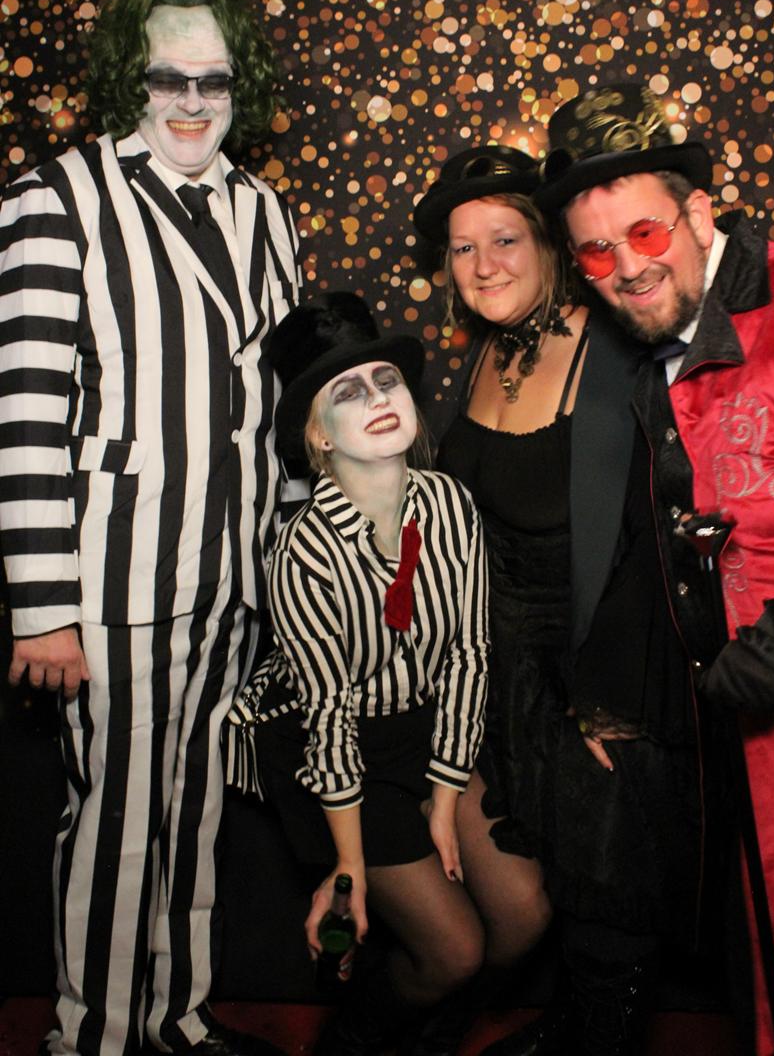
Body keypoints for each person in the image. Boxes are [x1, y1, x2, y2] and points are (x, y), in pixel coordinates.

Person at [0, 0, 300, 1056]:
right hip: (115, 577)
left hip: (235, 574)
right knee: (120, 822)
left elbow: (284, 403)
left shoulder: (265, 211)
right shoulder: (56, 197)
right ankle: (94, 1037)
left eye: (213, 80)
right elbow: (25, 412)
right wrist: (43, 609)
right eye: (167, 78)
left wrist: (292, 563)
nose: (190, 102)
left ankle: (175, 1018)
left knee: (195, 814)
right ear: (129, 79)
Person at [413, 146, 704, 1056]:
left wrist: (613, 694)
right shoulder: (486, 353)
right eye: (463, 249)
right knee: (545, 903)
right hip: (498, 678)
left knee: (608, 910)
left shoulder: (614, 351)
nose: (483, 265)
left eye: (504, 239)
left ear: (548, 244)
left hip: (595, 672)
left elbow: (654, 534)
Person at [539, 82, 774, 1056]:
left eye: (645, 233)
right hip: (736, 761)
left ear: (698, 212)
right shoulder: (645, 347)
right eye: (596, 253)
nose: (627, 269)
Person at [243, 291, 489, 1055]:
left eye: (387, 381)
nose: (378, 399)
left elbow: (468, 656)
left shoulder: (450, 505)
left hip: (429, 728)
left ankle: (433, 1026)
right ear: (319, 434)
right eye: (348, 392)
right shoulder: (304, 551)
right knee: (456, 951)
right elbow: (330, 714)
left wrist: (445, 796)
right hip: (336, 747)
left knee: (525, 914)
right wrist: (348, 865)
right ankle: (352, 1039)